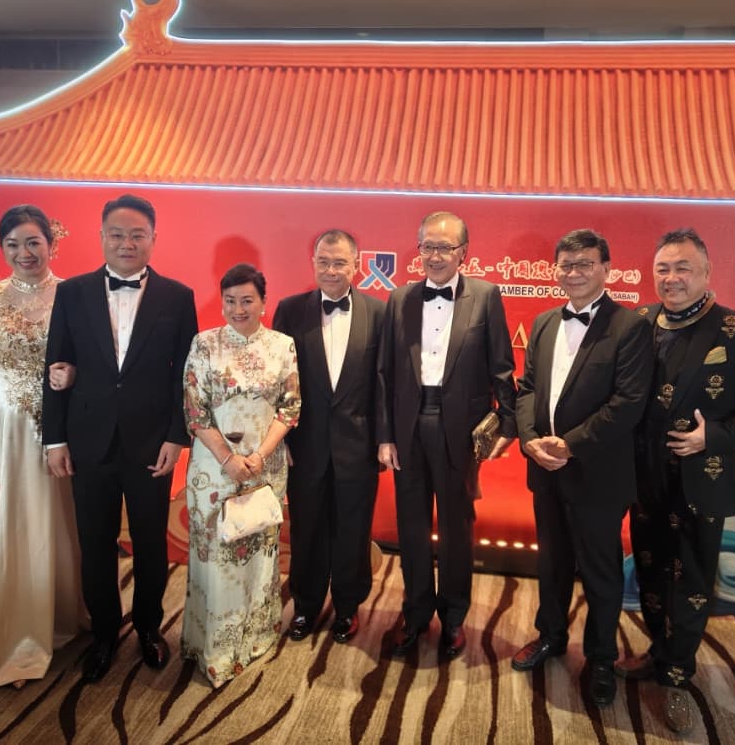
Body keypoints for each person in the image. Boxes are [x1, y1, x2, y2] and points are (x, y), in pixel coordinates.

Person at [615, 228, 735, 732]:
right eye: (663, 269)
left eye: (683, 268)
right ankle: (656, 651)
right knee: (649, 569)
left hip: (701, 478)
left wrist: (713, 436)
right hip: (643, 476)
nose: (672, 278)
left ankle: (677, 673)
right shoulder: (638, 321)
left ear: (707, 273)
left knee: (690, 578)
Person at [42, 194, 198, 683]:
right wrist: (55, 440)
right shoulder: (72, 293)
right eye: (117, 234)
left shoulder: (178, 296)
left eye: (137, 235)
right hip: (89, 441)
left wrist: (177, 436)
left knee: (150, 543)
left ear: (153, 238)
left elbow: (186, 375)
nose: (127, 243)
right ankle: (105, 634)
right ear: (102, 237)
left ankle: (149, 628)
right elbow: (56, 367)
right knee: (95, 543)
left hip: (152, 444)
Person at [510, 229, 653, 707]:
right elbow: (528, 388)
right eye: (566, 264)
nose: (574, 273)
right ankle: (550, 636)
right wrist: (530, 440)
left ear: (606, 270)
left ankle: (601, 657)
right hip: (545, 468)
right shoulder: (544, 321)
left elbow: (628, 403)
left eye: (585, 264)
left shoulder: (630, 327)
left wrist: (569, 446)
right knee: (551, 563)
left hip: (597, 474)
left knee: (600, 571)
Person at [0, 205, 86, 688]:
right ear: (2, 248)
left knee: (55, 515)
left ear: (52, 243)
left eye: (33, 242)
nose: (24, 253)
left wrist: (74, 373)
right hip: (2, 425)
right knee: (7, 515)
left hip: (59, 425)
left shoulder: (74, 294)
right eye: (12, 244)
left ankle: (60, 612)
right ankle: (11, 630)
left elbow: (90, 358)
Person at [376, 211, 517, 660]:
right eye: (427, 247)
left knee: (457, 528)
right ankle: (416, 613)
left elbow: (501, 366)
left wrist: (509, 425)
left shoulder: (486, 296)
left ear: (463, 253)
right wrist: (385, 435)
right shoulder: (399, 298)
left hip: (460, 429)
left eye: (444, 248)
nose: (434, 256)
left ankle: (454, 616)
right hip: (407, 427)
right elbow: (385, 373)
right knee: (412, 527)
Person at [180, 263, 300, 687]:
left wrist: (259, 456)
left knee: (258, 554)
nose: (238, 309)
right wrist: (228, 459)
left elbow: (290, 408)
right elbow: (194, 411)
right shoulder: (204, 344)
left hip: (264, 469)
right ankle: (211, 645)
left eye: (247, 300)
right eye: (230, 300)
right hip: (213, 471)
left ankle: (255, 637)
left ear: (264, 302)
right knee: (215, 557)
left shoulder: (282, 346)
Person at [272, 230, 385, 644]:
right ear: (313, 263)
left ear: (356, 264)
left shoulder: (379, 312)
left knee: (354, 531)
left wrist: (384, 439)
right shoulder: (290, 310)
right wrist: (281, 440)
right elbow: (276, 381)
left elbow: (384, 383)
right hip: (305, 446)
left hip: (359, 445)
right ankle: (305, 606)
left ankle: (348, 607)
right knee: (306, 529)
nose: (331, 270)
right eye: (323, 262)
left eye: (339, 262)